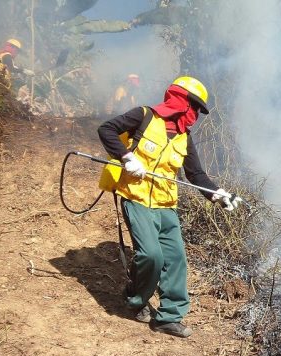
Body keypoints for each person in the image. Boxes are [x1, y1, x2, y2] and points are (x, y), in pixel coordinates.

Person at [97, 76, 241, 338]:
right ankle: (135, 297)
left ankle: (168, 317)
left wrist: (218, 195)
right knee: (151, 256)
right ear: (179, 100)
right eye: (193, 106)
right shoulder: (143, 116)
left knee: (175, 260)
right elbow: (106, 129)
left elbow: (196, 174)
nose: (195, 114)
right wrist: (127, 157)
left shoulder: (184, 137)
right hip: (137, 199)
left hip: (166, 206)